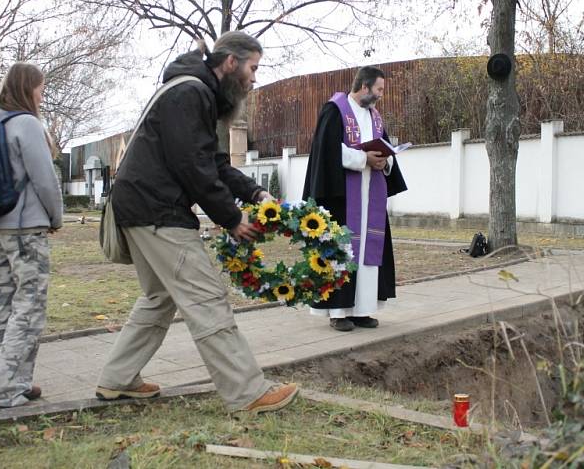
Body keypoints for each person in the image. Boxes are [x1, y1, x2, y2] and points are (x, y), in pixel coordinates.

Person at [95, 31, 298, 413]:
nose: (255, 78)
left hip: (140, 205)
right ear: (231, 62)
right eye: (253, 68)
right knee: (206, 296)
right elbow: (193, 165)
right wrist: (232, 218)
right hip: (158, 209)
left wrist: (254, 193)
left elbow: (214, 162)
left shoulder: (194, 92)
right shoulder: (191, 93)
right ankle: (247, 392)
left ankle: (116, 379)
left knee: (160, 297)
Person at [302, 66, 407, 331]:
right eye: (379, 89)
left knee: (367, 253)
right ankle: (338, 312)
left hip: (370, 196)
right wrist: (363, 159)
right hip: (342, 198)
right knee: (342, 251)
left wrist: (385, 162)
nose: (381, 95)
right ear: (364, 87)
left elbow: (384, 150)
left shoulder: (375, 118)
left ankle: (362, 310)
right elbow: (326, 151)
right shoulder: (335, 110)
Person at [0, 63, 63, 410]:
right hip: (25, 228)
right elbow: (45, 178)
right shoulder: (26, 124)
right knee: (29, 306)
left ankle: (4, 380)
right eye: (40, 88)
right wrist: (56, 217)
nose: (41, 95)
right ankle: (7, 390)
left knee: (4, 304)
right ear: (27, 88)